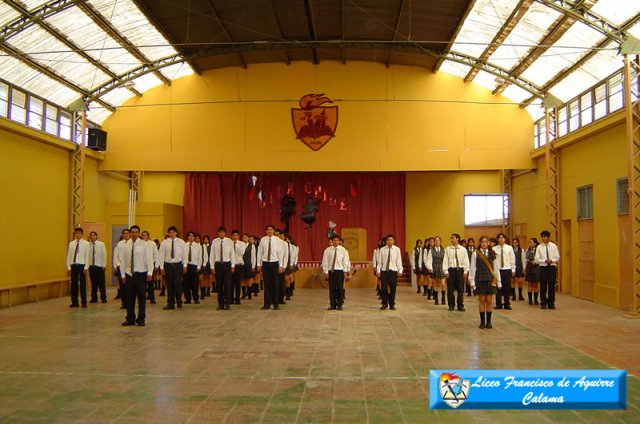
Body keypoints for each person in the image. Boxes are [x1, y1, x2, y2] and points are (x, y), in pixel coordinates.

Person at [120, 225, 154, 326]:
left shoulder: (145, 245)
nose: (134, 234)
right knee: (129, 298)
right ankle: (130, 318)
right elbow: (123, 261)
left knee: (141, 298)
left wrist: (150, 272)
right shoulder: (125, 245)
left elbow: (149, 259)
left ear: (139, 233)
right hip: (129, 274)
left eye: (136, 232)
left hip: (141, 274)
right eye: (132, 232)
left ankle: (141, 319)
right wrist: (123, 274)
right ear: (130, 233)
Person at [469, 236, 501, 329]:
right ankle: (482, 321)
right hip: (479, 279)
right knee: (482, 300)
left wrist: (499, 281)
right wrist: (472, 281)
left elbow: (496, 268)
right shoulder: (475, 254)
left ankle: (489, 322)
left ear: (488, 243)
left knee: (489, 301)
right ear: (480, 243)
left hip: (490, 279)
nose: (484, 244)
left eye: (486, 242)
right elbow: (473, 268)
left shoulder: (492, 254)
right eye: (482, 242)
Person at [257, 224, 286, 310]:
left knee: (275, 284)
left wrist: (281, 265)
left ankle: (276, 304)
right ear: (266, 231)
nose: (269, 231)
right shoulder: (263, 240)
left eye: (271, 229)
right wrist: (259, 264)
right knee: (266, 284)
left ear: (273, 231)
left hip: (274, 263)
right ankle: (267, 304)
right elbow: (260, 252)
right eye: (268, 230)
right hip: (265, 263)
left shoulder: (277, 240)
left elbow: (280, 253)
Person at [159, 226, 186, 310]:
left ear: (176, 233)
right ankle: (170, 303)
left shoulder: (181, 242)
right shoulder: (165, 242)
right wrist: (161, 267)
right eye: (170, 232)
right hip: (168, 265)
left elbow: (184, 255)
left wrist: (185, 265)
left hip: (178, 265)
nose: (171, 234)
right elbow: (161, 255)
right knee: (169, 284)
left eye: (173, 232)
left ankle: (179, 301)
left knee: (178, 284)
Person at [322, 235, 351, 310]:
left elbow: (345, 261)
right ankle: (333, 304)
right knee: (332, 289)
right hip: (331, 271)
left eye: (337, 240)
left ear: (339, 241)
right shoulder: (327, 250)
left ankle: (340, 304)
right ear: (332, 241)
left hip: (340, 271)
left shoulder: (343, 250)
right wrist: (326, 272)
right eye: (334, 240)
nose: (336, 242)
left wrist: (345, 271)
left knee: (340, 288)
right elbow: (325, 261)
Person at [442, 233, 470, 312]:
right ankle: (451, 305)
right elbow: (445, 260)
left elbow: (466, 261)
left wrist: (465, 271)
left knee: (460, 289)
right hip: (451, 270)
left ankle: (460, 305)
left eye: (453, 238)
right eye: (451, 238)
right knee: (450, 289)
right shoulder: (447, 249)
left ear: (457, 239)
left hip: (460, 270)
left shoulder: (463, 249)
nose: (451, 239)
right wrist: (446, 271)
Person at [210, 226, 234, 310]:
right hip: (218, 264)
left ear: (225, 233)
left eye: (223, 232)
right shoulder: (214, 241)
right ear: (218, 233)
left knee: (227, 285)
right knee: (219, 285)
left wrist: (233, 265)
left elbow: (232, 254)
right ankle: (220, 304)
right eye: (220, 232)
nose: (221, 234)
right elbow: (212, 254)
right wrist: (212, 266)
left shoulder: (229, 241)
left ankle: (227, 303)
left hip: (227, 264)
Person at [376, 234, 403, 310]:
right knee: (384, 288)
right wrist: (378, 270)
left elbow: (399, 261)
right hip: (384, 271)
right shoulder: (382, 250)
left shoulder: (397, 249)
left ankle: (392, 304)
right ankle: (384, 303)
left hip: (393, 271)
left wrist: (400, 270)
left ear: (394, 241)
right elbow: (380, 262)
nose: (389, 241)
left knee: (393, 288)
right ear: (386, 241)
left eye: (391, 240)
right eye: (388, 240)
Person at [535, 230, 560, 310]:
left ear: (548, 237)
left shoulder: (554, 246)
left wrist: (552, 260)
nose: (544, 238)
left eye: (545, 237)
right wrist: (544, 260)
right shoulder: (539, 247)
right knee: (543, 286)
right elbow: (537, 259)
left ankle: (551, 303)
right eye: (542, 237)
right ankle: (543, 302)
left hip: (551, 267)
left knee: (552, 285)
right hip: (543, 267)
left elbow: (557, 257)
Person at [66, 227, 90, 308]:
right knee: (74, 284)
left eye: (79, 233)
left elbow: (87, 256)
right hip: (74, 265)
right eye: (76, 233)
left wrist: (86, 267)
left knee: (82, 284)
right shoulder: (71, 243)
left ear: (82, 234)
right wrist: (69, 267)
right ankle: (74, 302)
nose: (78, 235)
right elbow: (69, 255)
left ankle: (84, 302)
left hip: (82, 265)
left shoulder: (86, 243)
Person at [493, 233, 516, 310]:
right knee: (498, 287)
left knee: (507, 287)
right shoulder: (494, 249)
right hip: (498, 270)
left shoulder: (509, 248)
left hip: (507, 269)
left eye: (502, 238)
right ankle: (498, 304)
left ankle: (507, 304)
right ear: (497, 239)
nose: (501, 239)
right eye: (499, 238)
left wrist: (513, 269)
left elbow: (512, 259)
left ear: (505, 239)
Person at [87, 231, 107, 304]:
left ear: (96, 236)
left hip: (99, 266)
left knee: (101, 283)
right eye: (91, 235)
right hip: (91, 266)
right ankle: (94, 298)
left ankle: (103, 297)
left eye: (94, 235)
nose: (92, 236)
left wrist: (104, 265)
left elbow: (104, 254)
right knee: (93, 283)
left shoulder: (101, 244)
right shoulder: (88, 245)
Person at [113, 228, 131, 309]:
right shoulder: (120, 244)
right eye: (124, 233)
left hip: (130, 268)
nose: (126, 235)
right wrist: (117, 265)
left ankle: (130, 303)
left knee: (130, 287)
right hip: (121, 267)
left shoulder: (132, 243)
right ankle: (124, 303)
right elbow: (116, 256)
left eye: (127, 233)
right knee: (123, 286)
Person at [183, 231, 202, 304]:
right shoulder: (184, 245)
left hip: (194, 266)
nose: (191, 237)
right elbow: (183, 256)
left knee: (195, 283)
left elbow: (200, 257)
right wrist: (184, 266)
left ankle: (196, 298)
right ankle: (188, 298)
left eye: (192, 236)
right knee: (186, 283)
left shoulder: (198, 246)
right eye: (189, 236)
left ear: (194, 237)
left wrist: (199, 266)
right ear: (187, 237)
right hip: (186, 265)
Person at [426, 236, 446, 305]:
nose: (437, 242)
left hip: (442, 268)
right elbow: (429, 260)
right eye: (436, 240)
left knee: (443, 284)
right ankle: (436, 299)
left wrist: (446, 268)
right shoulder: (431, 250)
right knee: (435, 283)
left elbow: (445, 260)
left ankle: (443, 298)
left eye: (438, 240)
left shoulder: (444, 250)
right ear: (434, 242)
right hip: (434, 268)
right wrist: (430, 267)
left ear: (440, 242)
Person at [230, 230, 246, 304]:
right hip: (230, 266)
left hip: (239, 265)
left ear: (239, 236)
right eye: (233, 235)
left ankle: (237, 299)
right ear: (231, 236)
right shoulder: (229, 243)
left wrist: (235, 244)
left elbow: (242, 252)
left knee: (238, 283)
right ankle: (230, 298)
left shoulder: (242, 244)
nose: (235, 237)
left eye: (236, 235)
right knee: (230, 283)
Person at [141, 231, 157, 305]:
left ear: (148, 236)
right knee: (142, 284)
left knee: (150, 283)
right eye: (143, 235)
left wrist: (156, 264)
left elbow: (155, 254)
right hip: (141, 265)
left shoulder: (152, 244)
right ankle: (142, 298)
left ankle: (152, 298)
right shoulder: (139, 244)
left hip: (150, 264)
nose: (144, 236)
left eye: (146, 235)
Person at [525, 238, 540, 305]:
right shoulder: (527, 250)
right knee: (529, 284)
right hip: (529, 267)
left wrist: (535, 261)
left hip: (536, 267)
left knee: (535, 284)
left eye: (531, 242)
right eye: (529, 242)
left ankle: (535, 300)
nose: (530, 244)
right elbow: (526, 258)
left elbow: (539, 258)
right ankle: (530, 300)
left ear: (535, 243)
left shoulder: (538, 250)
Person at [242, 234, 257, 300]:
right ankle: (243, 294)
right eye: (243, 237)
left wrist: (253, 265)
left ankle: (249, 294)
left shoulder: (252, 246)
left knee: (249, 279)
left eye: (246, 237)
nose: (244, 238)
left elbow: (253, 256)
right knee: (243, 280)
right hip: (242, 264)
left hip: (249, 264)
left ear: (248, 238)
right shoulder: (240, 245)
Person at [197, 235, 210, 300]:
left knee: (202, 279)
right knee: (198, 280)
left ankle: (203, 293)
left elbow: (206, 256)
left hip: (203, 265)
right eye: (196, 238)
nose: (197, 239)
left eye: (198, 238)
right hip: (194, 265)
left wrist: (204, 264)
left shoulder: (203, 247)